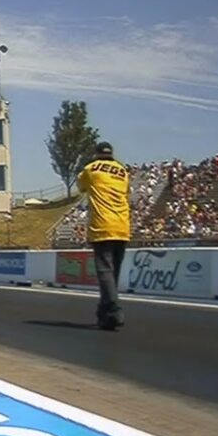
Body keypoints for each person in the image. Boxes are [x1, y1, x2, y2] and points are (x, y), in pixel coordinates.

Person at [77, 141, 131, 330]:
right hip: (123, 226)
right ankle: (105, 315)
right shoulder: (123, 171)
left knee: (104, 271)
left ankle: (115, 309)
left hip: (102, 226)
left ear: (96, 154)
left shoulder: (91, 169)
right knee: (112, 274)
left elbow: (81, 186)